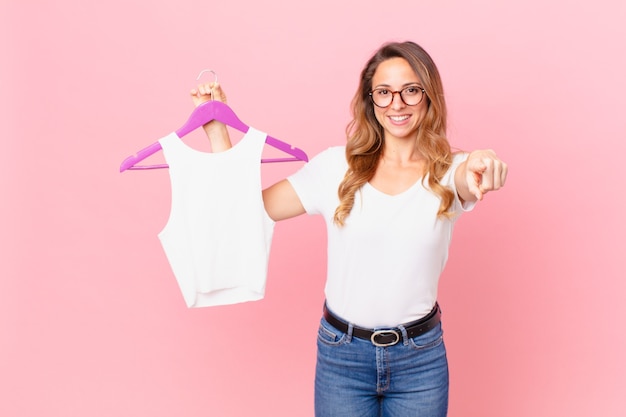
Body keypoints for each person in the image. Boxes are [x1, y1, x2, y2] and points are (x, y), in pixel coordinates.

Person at [190, 41, 507, 417]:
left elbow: (473, 174)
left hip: (420, 360)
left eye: (410, 90)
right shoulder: (334, 168)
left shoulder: (448, 171)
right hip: (343, 358)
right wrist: (218, 134)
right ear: (370, 101)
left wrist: (483, 163)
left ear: (428, 96)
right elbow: (246, 211)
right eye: (384, 93)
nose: (397, 104)